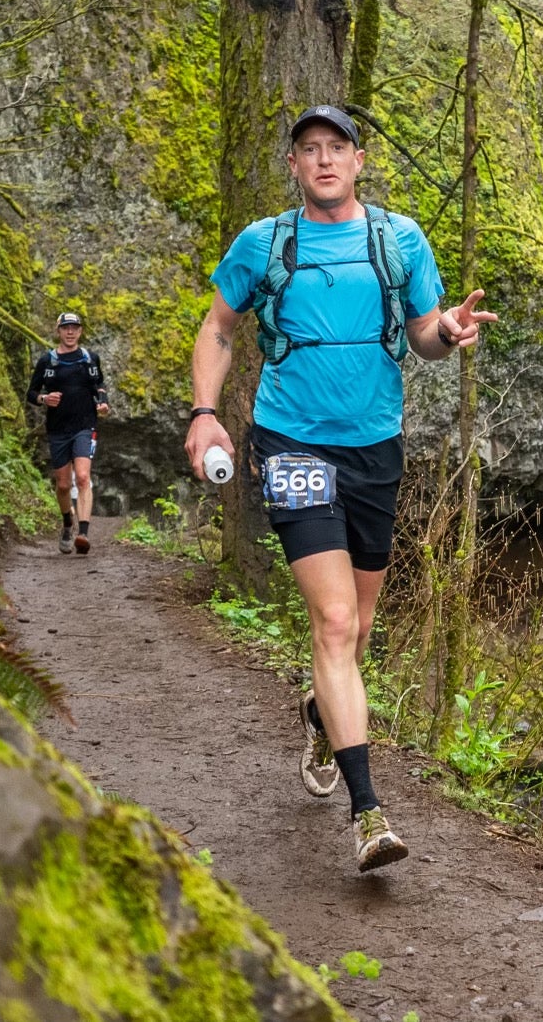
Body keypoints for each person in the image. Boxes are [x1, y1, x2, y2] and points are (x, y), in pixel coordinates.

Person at [183, 104, 496, 873]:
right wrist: (204, 415)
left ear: (359, 161)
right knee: (330, 620)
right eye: (308, 150)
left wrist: (447, 332)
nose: (323, 160)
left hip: (373, 450)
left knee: (354, 632)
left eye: (336, 148)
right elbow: (219, 328)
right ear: (293, 166)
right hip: (290, 442)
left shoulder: (400, 239)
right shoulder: (265, 244)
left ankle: (324, 715)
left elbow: (423, 337)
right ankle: (369, 814)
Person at [25, 312, 109, 555]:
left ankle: (83, 534)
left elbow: (99, 386)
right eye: (66, 328)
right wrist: (44, 399)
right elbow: (32, 393)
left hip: (85, 426)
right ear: (58, 331)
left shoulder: (90, 359)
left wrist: (102, 402)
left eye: (74, 328)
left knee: (82, 477)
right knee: (63, 485)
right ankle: (67, 524)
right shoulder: (47, 361)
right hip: (58, 429)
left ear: (80, 331)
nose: (70, 332)